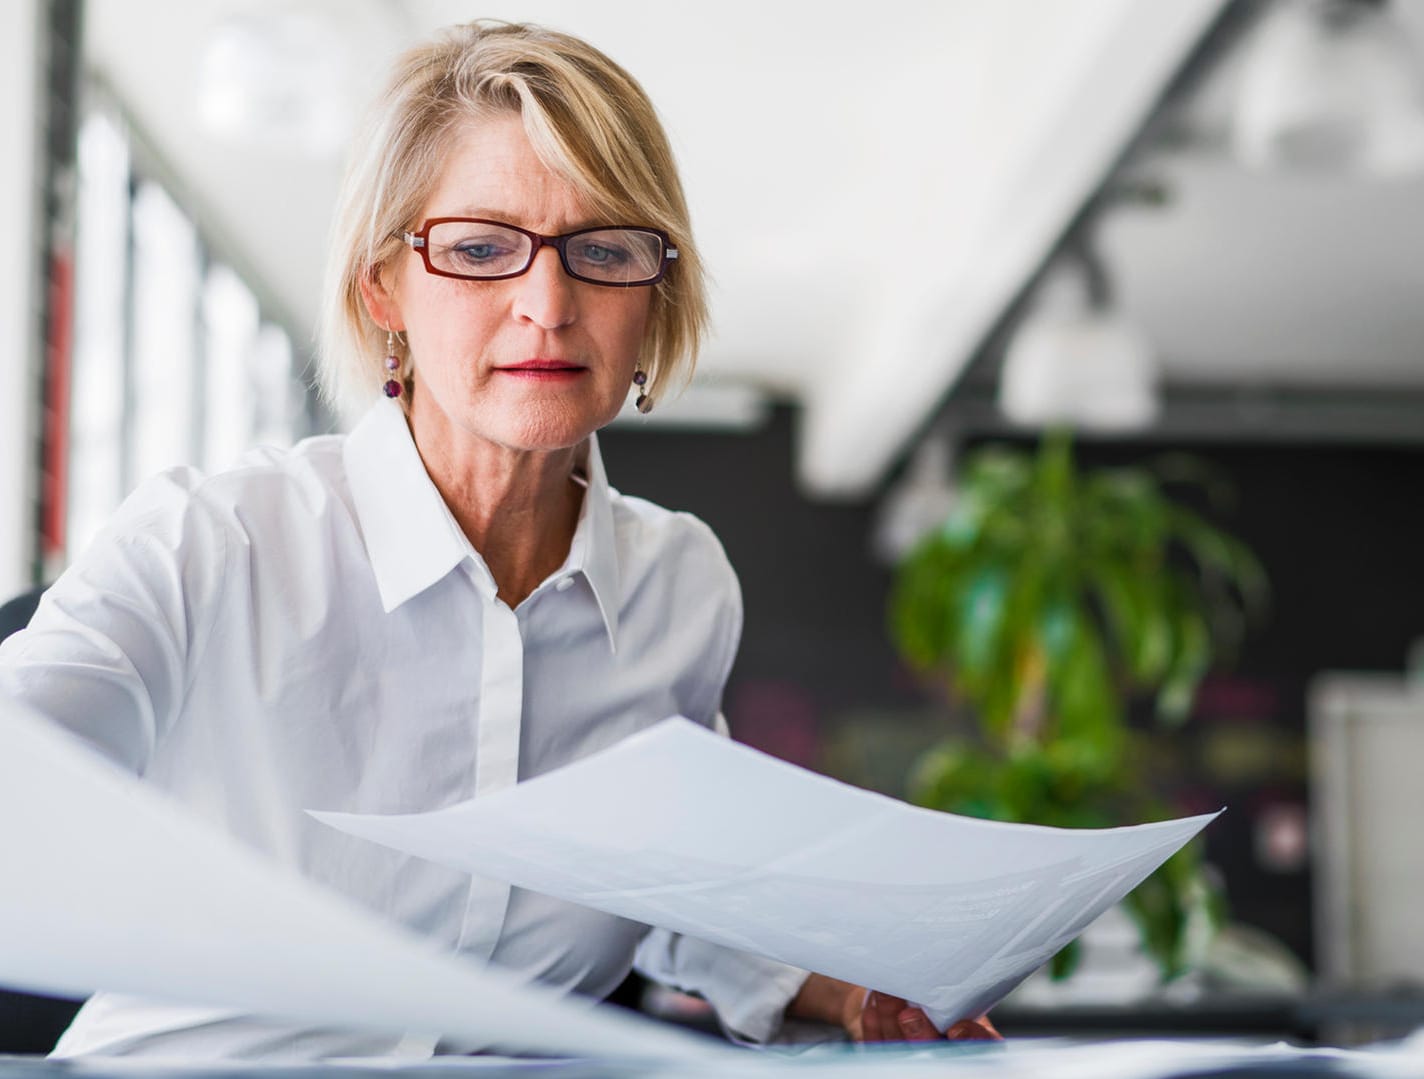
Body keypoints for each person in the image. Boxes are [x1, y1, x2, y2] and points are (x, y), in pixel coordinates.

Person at [0, 21, 996, 1059]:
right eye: (479, 249)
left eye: (604, 250)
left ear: (653, 297)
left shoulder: (676, 586)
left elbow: (659, 876)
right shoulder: (211, 544)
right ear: (381, 286)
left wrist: (844, 987)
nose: (548, 306)